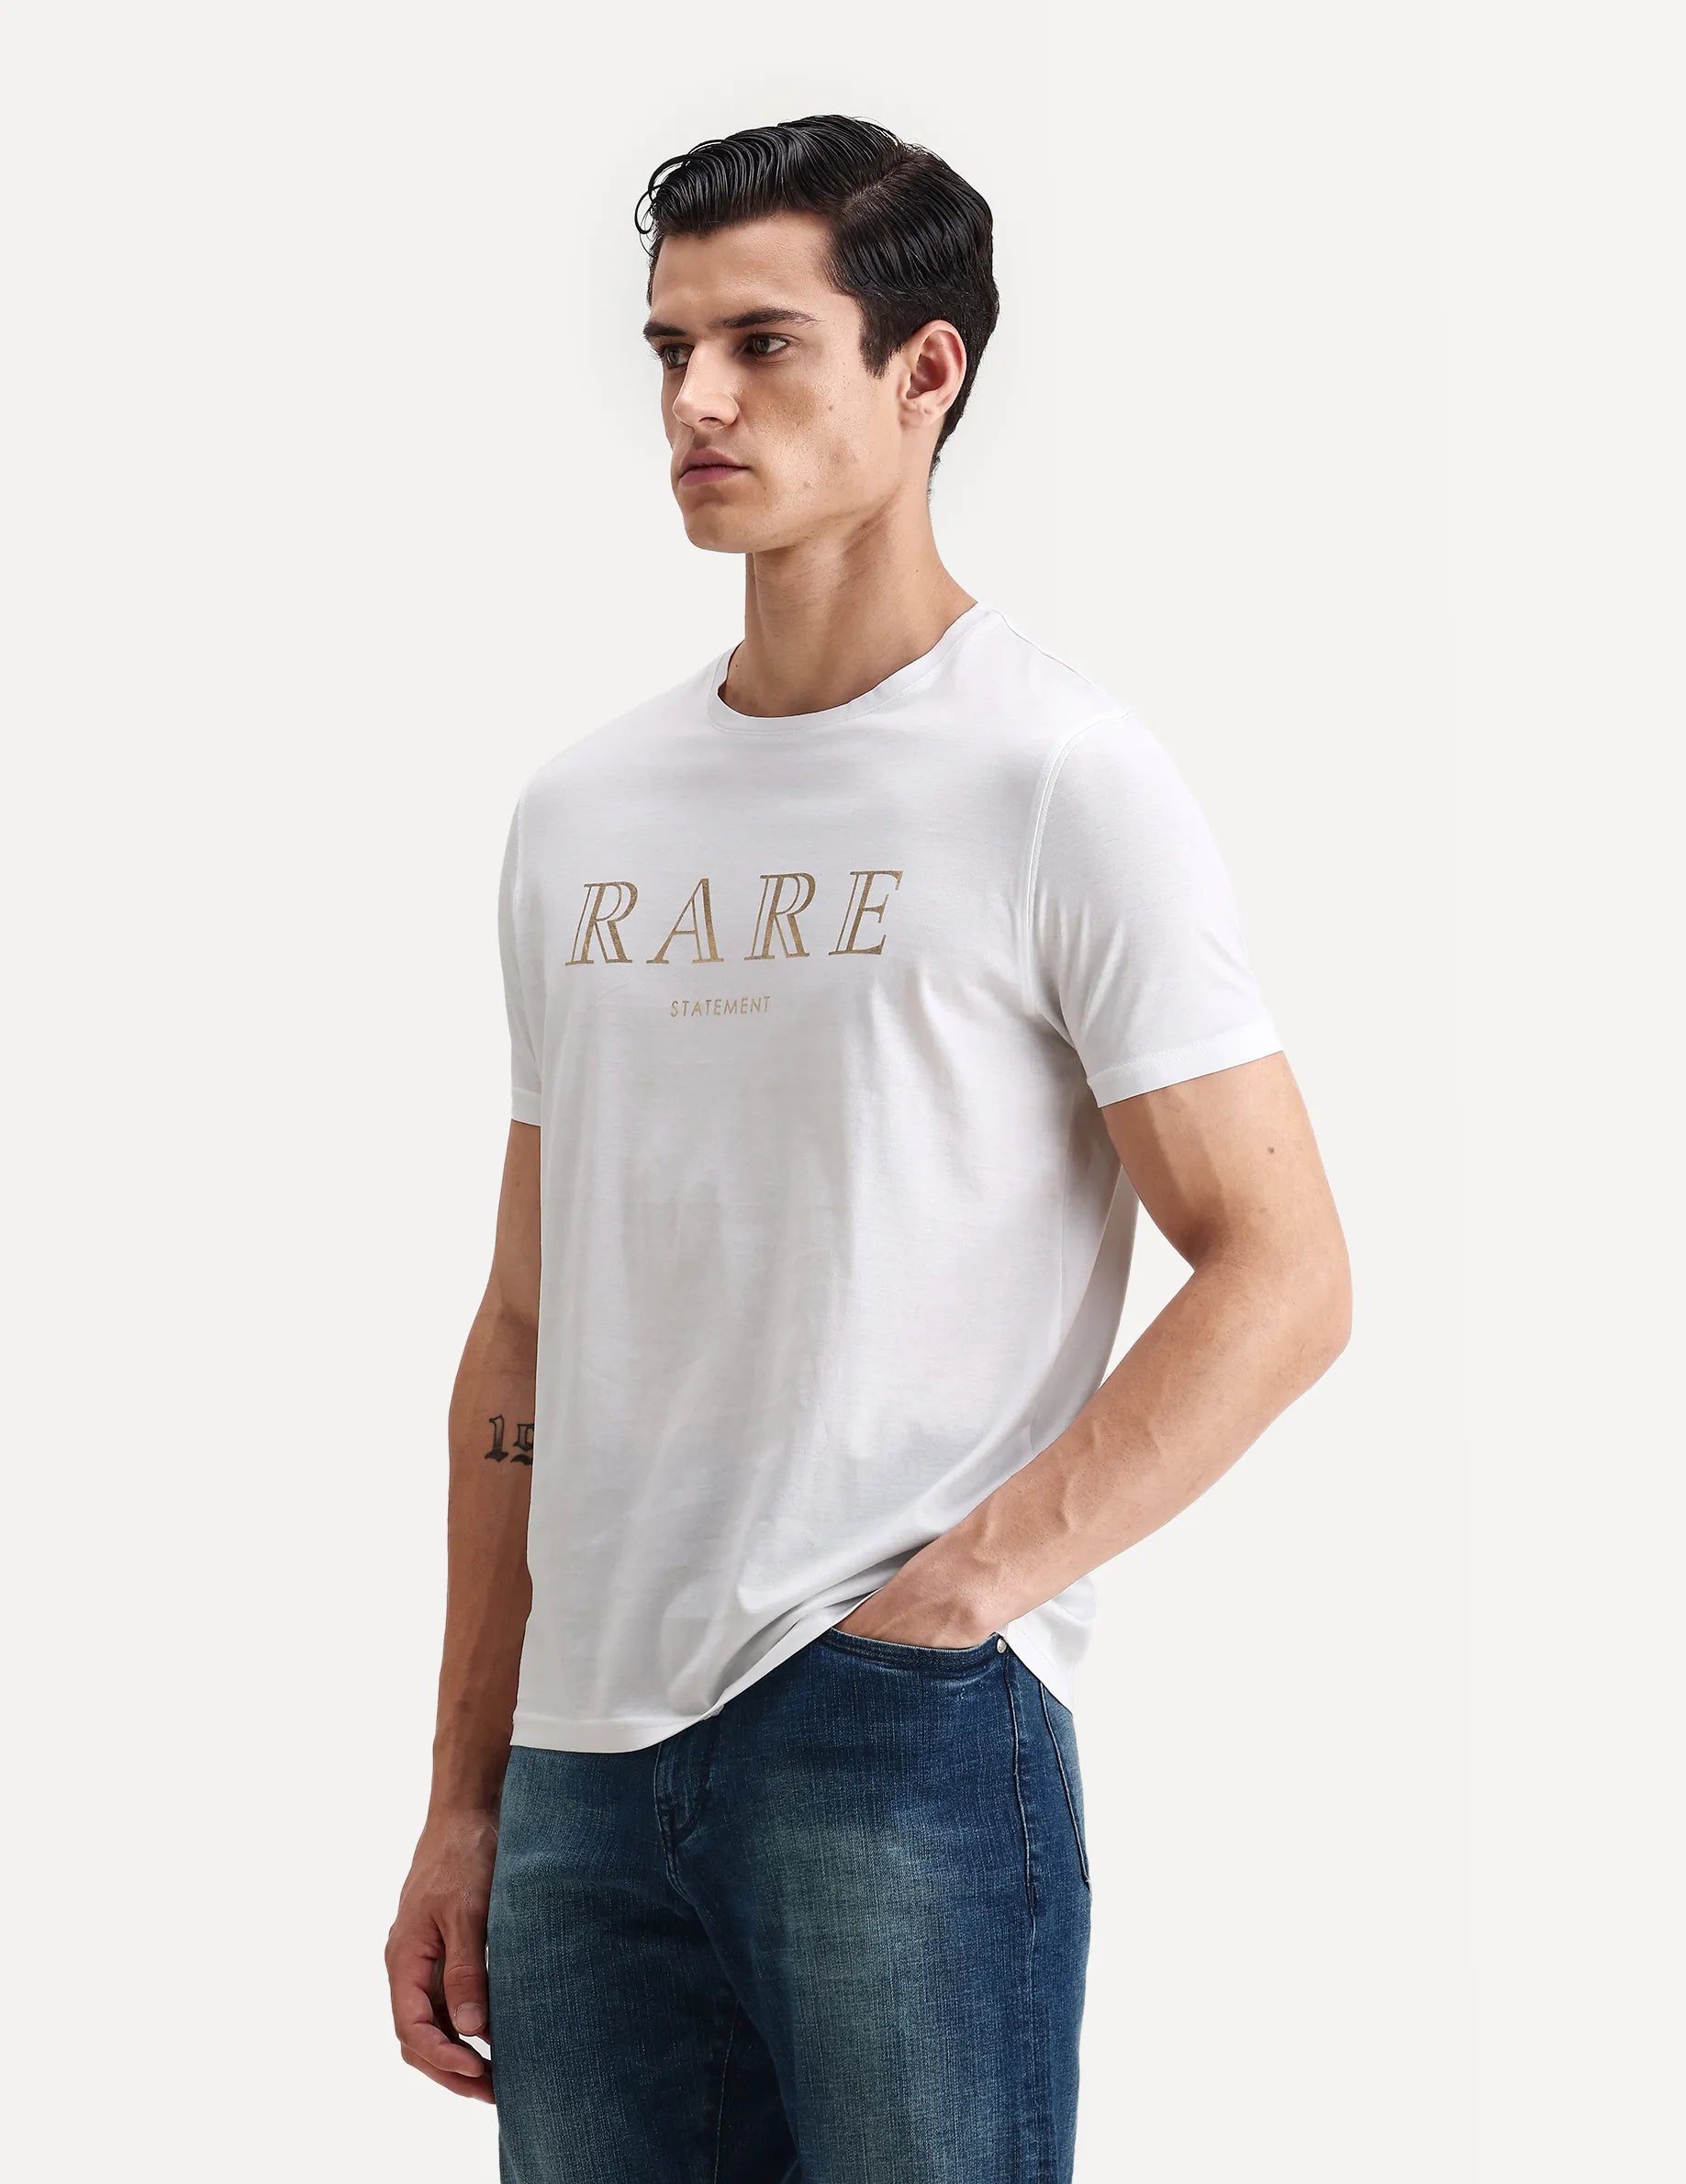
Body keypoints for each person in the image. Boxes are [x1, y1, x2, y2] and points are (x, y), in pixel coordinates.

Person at [385, 113, 1351, 2184]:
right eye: (669, 349)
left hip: (890, 1734)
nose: (696, 401)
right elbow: (525, 1325)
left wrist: (962, 1596)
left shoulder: (1057, 776)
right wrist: (467, 1790)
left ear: (927, 371)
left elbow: (1282, 1267)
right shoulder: (583, 811)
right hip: (579, 1764)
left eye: (762, 343)